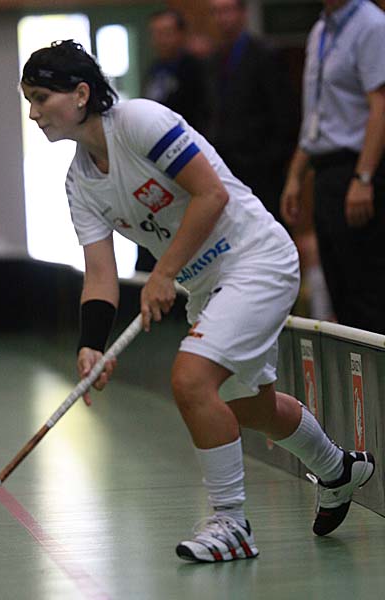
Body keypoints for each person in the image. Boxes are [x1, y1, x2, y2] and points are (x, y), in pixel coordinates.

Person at [21, 40, 375, 563]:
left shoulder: (140, 122)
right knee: (246, 406)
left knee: (191, 380)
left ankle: (231, 523)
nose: (34, 113)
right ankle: (338, 469)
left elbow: (212, 194)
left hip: (256, 258)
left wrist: (164, 272)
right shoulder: (79, 184)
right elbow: (99, 273)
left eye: (41, 98)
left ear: (80, 94)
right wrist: (91, 345)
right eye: (29, 100)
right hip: (209, 285)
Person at [281, 0, 385, 333]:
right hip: (325, 171)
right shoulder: (320, 31)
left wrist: (363, 177)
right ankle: (356, 368)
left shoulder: (371, 25)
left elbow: (381, 106)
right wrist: (296, 176)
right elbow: (316, 114)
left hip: (359, 168)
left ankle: (375, 366)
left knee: (367, 289)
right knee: (340, 287)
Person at [206, 0, 296, 223]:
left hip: (261, 168)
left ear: (242, 13)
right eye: (216, 12)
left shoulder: (265, 54)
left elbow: (286, 114)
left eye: (227, 11)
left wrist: (270, 160)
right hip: (225, 167)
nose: (222, 19)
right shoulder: (214, 60)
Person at [139, 8, 209, 272]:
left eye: (167, 32)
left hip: (186, 161)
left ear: (181, 34)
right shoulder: (154, 70)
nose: (161, 39)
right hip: (154, 167)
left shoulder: (195, 69)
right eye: (156, 33)